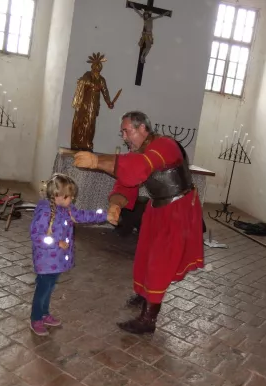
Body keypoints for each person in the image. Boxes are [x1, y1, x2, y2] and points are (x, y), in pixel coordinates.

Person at [74, 111, 204, 334]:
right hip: (158, 208)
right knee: (145, 254)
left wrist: (98, 161)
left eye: (128, 131)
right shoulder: (141, 151)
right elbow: (127, 182)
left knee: (159, 262)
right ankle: (144, 293)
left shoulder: (165, 145)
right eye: (122, 132)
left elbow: (139, 167)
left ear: (143, 128)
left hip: (178, 210)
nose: (124, 137)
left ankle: (148, 319)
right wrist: (116, 204)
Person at [29, 173, 113, 336]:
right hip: (46, 260)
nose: (72, 199)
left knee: (49, 288)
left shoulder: (66, 208)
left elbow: (82, 215)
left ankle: (44, 314)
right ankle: (36, 318)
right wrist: (55, 242)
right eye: (69, 196)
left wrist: (105, 215)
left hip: (56, 260)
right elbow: (36, 235)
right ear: (57, 196)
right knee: (43, 289)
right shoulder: (45, 212)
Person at [71, 52, 118, 151]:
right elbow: (83, 81)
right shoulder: (88, 75)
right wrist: (92, 85)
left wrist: (109, 102)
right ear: (93, 66)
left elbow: (105, 92)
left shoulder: (102, 79)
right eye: (96, 65)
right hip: (85, 104)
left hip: (94, 105)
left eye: (99, 65)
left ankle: (87, 142)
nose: (97, 67)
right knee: (80, 122)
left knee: (91, 123)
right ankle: (77, 142)